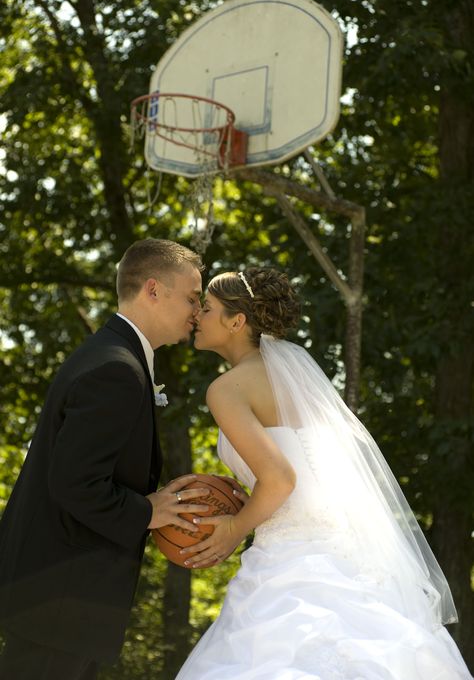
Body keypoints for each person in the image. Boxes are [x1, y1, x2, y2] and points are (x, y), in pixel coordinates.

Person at [175, 267, 472, 680]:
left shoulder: (227, 388)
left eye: (206, 308)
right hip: (343, 548)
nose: (196, 317)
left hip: (287, 553)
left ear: (236, 321)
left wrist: (234, 528)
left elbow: (280, 479)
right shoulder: (291, 379)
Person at [0, 238, 213, 680]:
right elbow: (75, 483)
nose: (197, 310)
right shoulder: (117, 369)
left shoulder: (112, 354)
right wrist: (147, 511)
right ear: (153, 290)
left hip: (57, 597)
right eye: (193, 297)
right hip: (60, 599)